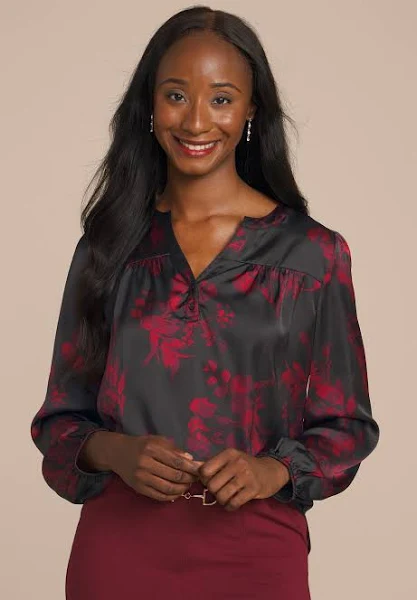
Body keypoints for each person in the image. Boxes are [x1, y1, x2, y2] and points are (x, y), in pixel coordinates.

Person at [30, 6, 380, 599]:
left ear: (251, 110)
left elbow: (347, 425)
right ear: (149, 106)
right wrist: (117, 450)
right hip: (119, 549)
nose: (196, 120)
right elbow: (60, 419)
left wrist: (271, 468)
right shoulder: (108, 249)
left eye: (221, 99)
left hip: (255, 549)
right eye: (176, 95)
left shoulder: (312, 254)